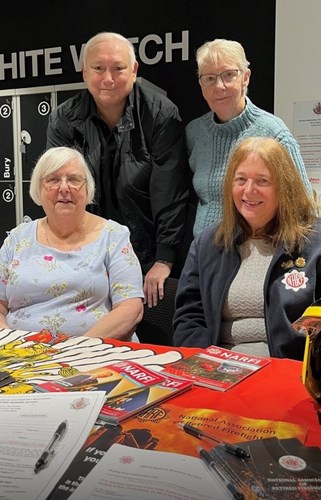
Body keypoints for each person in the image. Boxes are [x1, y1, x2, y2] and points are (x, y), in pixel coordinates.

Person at [46, 31, 190, 308]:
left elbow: (170, 193)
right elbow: (60, 194)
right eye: (98, 68)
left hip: (146, 254)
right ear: (84, 71)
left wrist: (164, 259)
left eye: (118, 68)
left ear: (134, 70)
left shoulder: (160, 114)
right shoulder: (63, 119)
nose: (108, 79)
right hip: (85, 251)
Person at [173, 137, 321, 360]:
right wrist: (204, 362)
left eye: (262, 181)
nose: (249, 190)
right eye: (240, 179)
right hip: (218, 369)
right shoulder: (208, 243)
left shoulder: (315, 242)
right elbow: (190, 315)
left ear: (284, 187)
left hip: (288, 372)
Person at [0, 147, 144, 341]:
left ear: (87, 189)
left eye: (74, 180)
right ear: (38, 189)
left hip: (94, 355)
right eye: (53, 180)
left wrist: (77, 349)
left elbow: (130, 309)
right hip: (23, 359)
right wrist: (12, 345)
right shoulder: (16, 240)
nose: (64, 188)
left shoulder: (113, 236)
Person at [186, 38, 312, 236]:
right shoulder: (194, 132)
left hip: (254, 255)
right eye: (209, 78)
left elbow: (303, 207)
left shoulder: (273, 132)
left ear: (245, 77)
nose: (219, 86)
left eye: (228, 75)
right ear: (201, 85)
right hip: (204, 256)